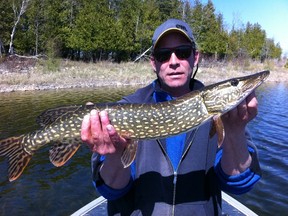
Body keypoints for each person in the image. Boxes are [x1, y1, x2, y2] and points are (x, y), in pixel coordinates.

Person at [81, 19, 261, 215]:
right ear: (153, 62)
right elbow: (111, 190)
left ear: (195, 57)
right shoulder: (127, 107)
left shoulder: (226, 117)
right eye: (163, 55)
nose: (174, 61)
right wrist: (116, 154)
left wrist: (235, 132)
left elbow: (239, 184)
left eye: (183, 52)